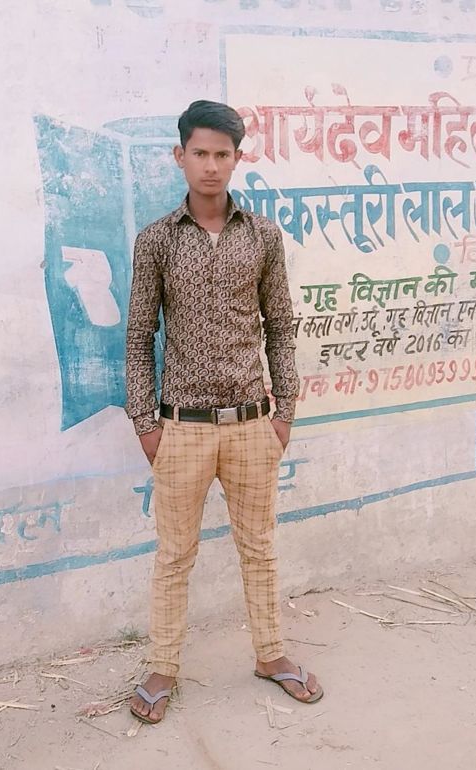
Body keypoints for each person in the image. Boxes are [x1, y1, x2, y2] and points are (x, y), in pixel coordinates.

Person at [125, 99, 323, 724]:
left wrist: (283, 413)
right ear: (179, 156)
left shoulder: (262, 236)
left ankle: (270, 654)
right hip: (180, 428)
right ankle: (163, 666)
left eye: (222, 154)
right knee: (173, 555)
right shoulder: (157, 240)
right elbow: (138, 337)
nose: (210, 166)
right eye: (200, 153)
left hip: (251, 426)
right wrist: (146, 424)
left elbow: (280, 327)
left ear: (238, 159)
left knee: (259, 547)